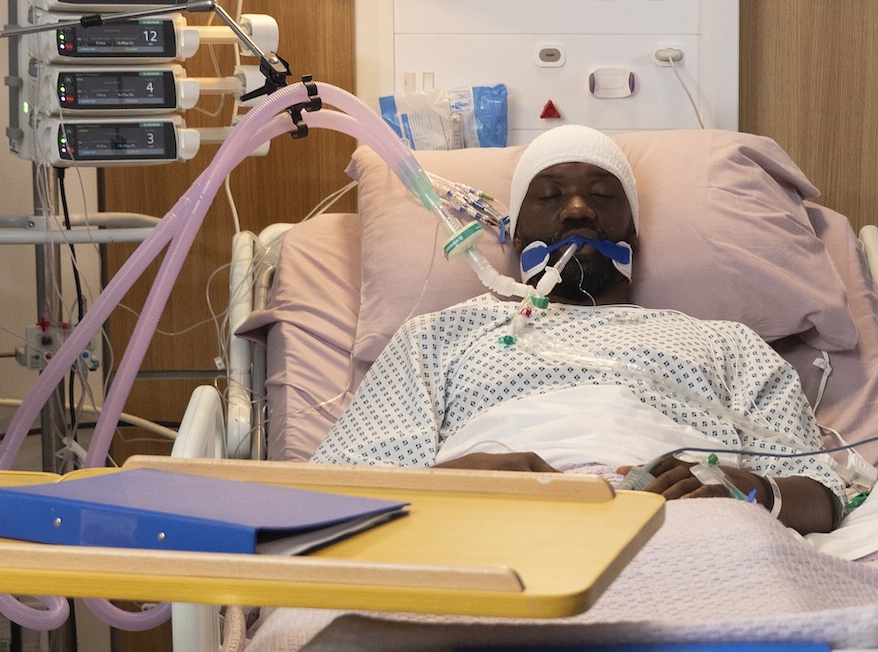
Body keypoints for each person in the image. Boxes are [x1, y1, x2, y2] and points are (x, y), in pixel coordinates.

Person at [314, 124, 845, 535]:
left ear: (631, 232)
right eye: (549, 196)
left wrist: (744, 488)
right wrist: (456, 481)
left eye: (603, 195)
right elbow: (338, 493)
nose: (577, 209)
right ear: (516, 232)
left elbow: (822, 498)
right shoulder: (438, 337)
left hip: (683, 528)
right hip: (486, 526)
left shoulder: (727, 343)